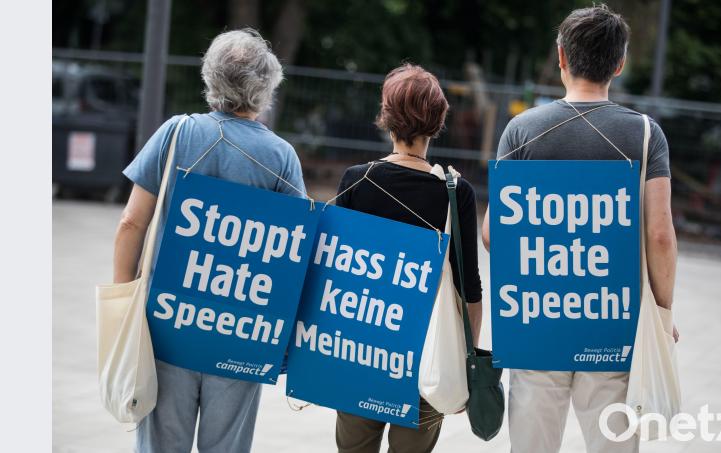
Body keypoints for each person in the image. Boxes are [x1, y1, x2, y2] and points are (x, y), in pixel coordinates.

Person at [481, 5, 678, 453]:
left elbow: (495, 233)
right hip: (613, 318)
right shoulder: (646, 135)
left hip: (537, 317)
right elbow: (661, 236)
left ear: (561, 58)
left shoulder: (521, 130)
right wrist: (662, 315)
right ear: (620, 63)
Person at [113, 29, 306, 453]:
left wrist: (125, 297)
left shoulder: (176, 134)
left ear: (210, 78)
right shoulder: (280, 157)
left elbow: (131, 223)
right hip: (241, 329)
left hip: (168, 320)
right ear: (267, 85)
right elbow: (296, 255)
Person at [332, 64, 484, 453]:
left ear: (386, 117)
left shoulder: (357, 180)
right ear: (438, 121)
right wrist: (467, 362)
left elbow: (335, 273)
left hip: (361, 348)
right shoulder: (455, 192)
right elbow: (468, 287)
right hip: (428, 356)